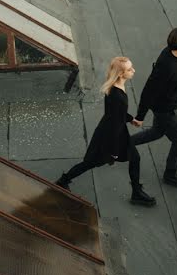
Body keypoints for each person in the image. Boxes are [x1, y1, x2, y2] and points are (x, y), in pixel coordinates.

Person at [56, 57, 156, 207]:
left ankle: (136, 192)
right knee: (90, 163)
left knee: (135, 158)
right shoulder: (117, 95)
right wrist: (114, 152)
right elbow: (115, 123)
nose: (133, 70)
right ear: (121, 74)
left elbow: (115, 114)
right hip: (109, 138)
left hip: (113, 132)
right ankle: (63, 181)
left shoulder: (116, 88)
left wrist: (129, 119)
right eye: (130, 69)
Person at [130, 27, 177, 189]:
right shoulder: (166, 66)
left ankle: (121, 143)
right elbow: (149, 90)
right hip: (166, 110)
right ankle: (170, 175)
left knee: (156, 132)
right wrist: (140, 116)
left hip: (168, 105)